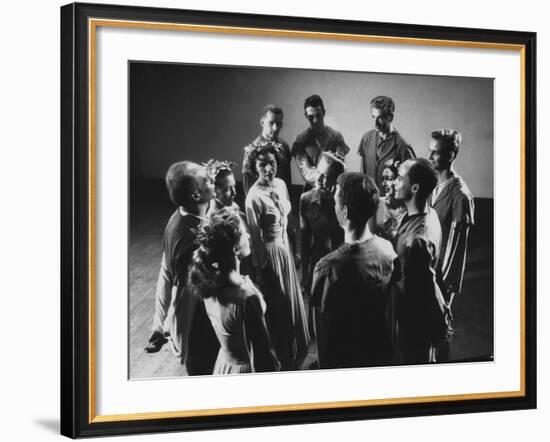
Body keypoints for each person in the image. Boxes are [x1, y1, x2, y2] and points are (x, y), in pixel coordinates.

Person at [311, 172, 397, 369]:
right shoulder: (388, 250)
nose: (334, 206)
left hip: (349, 360)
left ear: (346, 211)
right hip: (380, 353)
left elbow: (325, 338)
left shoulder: (328, 267)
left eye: (335, 202)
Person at [144, 161, 219, 375]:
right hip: (200, 322)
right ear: (196, 196)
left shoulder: (179, 218)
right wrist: (167, 326)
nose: (212, 179)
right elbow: (178, 290)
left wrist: (157, 323)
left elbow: (165, 271)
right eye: (206, 180)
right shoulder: (191, 241)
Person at [187, 209, 281, 374]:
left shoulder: (208, 281)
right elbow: (262, 354)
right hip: (245, 369)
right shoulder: (245, 297)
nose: (250, 237)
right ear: (236, 248)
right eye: (246, 234)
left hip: (225, 365)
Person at [245, 144, 310, 370]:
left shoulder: (282, 185)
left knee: (291, 297)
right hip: (271, 254)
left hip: (286, 250)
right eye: (262, 164)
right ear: (255, 168)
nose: (268, 168)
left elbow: (289, 221)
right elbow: (255, 236)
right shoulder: (253, 197)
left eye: (272, 163)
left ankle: (297, 343)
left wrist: (297, 249)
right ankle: (283, 350)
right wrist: (264, 268)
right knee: (278, 302)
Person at [393, 158, 449, 364]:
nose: (394, 183)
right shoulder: (430, 213)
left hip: (413, 322)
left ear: (415, 187)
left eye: (399, 179)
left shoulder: (416, 242)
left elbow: (414, 293)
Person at [429, 129, 475, 360]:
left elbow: (457, 249)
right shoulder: (436, 186)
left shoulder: (460, 195)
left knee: (440, 328)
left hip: (441, 277)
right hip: (430, 270)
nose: (430, 157)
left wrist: (444, 285)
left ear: (451, 155)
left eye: (435, 153)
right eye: (430, 152)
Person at [299, 152, 346, 335]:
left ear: (336, 180)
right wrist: (305, 274)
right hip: (318, 264)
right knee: (319, 316)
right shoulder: (306, 199)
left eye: (326, 176)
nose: (319, 179)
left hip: (340, 266)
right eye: (318, 172)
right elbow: (304, 243)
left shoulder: (342, 202)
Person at [206, 159, 255, 279]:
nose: (234, 193)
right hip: (233, 270)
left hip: (247, 261)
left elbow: (245, 233)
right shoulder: (213, 219)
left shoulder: (233, 206)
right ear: (214, 192)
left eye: (234, 186)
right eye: (227, 189)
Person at [291, 94, 350, 190]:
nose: (315, 120)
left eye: (318, 115)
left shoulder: (336, 136)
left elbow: (341, 165)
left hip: (333, 190)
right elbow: (305, 171)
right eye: (311, 117)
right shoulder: (300, 141)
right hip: (312, 189)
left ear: (324, 113)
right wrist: (321, 178)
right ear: (306, 116)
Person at [357, 95, 416, 189]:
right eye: (373, 117)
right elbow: (362, 174)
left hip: (391, 201)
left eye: (379, 118)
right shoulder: (366, 138)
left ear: (390, 117)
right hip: (368, 199)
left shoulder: (403, 146)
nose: (375, 123)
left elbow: (411, 181)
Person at [242, 104, 292, 196]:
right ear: (262, 122)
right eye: (271, 123)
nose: (275, 128)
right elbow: (248, 189)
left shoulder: (284, 147)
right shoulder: (252, 150)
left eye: (278, 123)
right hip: (262, 202)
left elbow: (287, 180)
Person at [369, 158, 407, 241]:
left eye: (389, 179)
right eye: (383, 179)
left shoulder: (408, 207)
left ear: (399, 181)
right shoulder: (377, 203)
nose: (383, 184)